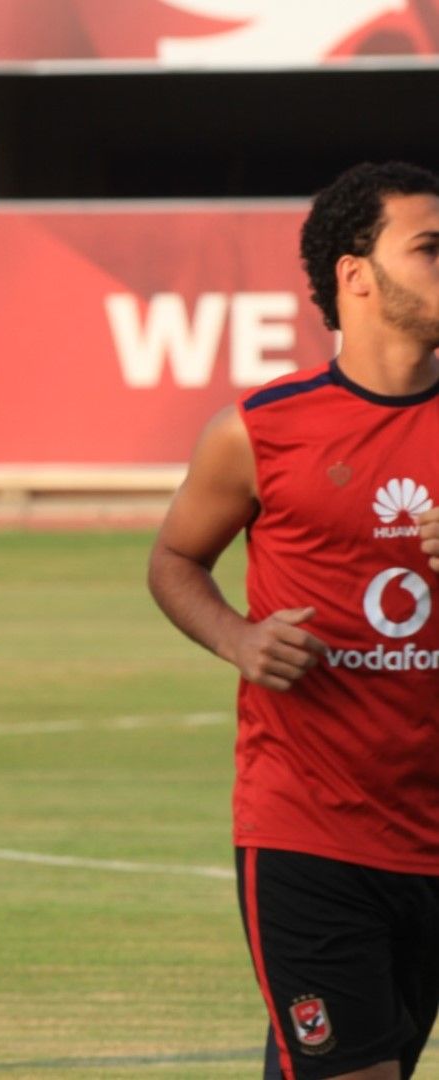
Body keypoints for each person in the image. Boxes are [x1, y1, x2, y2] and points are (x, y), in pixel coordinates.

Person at [148, 161, 439, 1080]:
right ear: (356, 275)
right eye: (429, 249)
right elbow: (173, 561)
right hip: (308, 827)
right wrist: (237, 637)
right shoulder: (258, 430)